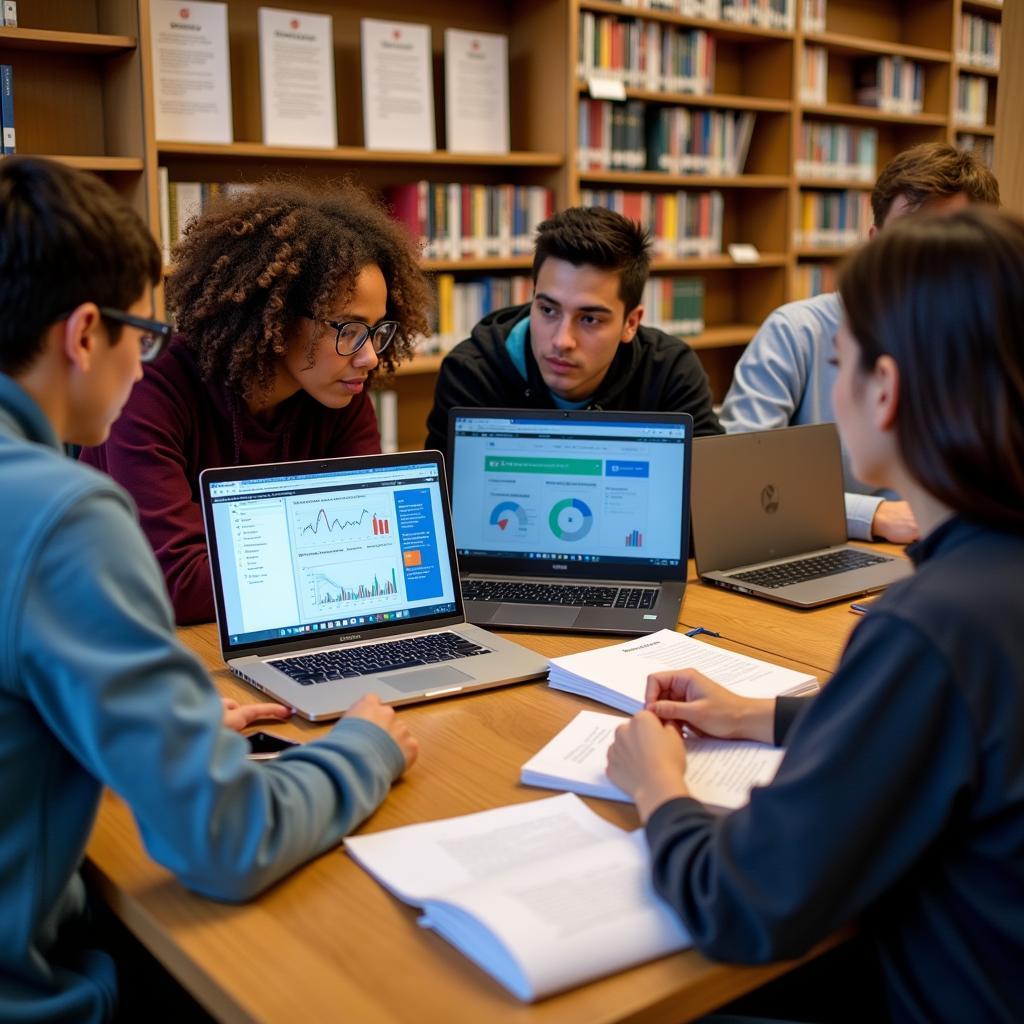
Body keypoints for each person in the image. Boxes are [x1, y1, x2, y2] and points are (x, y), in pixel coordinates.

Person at [0, 156, 418, 1022]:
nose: (145, 354)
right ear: (86, 334)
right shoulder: (61, 512)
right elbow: (227, 839)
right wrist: (366, 750)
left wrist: (148, 712)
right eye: (137, 331)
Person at [606, 206, 1024, 1023]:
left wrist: (658, 787)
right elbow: (955, 731)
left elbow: (743, 902)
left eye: (839, 362)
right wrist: (758, 713)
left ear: (885, 388)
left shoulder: (927, 627)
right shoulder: (986, 584)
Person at [81, 179, 432, 625]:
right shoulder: (151, 386)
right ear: (279, 315)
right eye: (348, 329)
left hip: (271, 626)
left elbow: (370, 557)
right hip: (129, 631)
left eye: (378, 330)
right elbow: (180, 584)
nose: (369, 356)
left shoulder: (342, 388)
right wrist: (329, 566)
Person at [719, 142, 1000, 543]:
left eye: (950, 244)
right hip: (819, 550)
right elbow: (739, 474)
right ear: (874, 242)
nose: (925, 260)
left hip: (945, 554)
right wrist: (874, 515)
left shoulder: (989, 342)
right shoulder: (798, 332)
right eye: (909, 239)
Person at [423, 206, 722, 453]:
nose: (562, 340)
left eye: (589, 319)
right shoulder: (473, 373)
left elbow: (708, 499)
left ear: (630, 323)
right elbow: (447, 510)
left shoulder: (670, 372)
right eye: (548, 310)